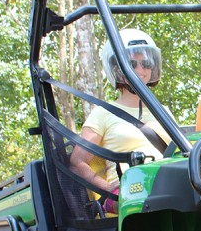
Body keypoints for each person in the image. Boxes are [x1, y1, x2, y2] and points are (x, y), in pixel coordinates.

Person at [70, 28, 170, 201]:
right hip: (133, 193)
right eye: (131, 64)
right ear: (116, 69)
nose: (140, 69)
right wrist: (110, 190)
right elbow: (77, 162)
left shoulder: (163, 111)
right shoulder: (103, 113)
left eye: (146, 63)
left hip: (168, 186)